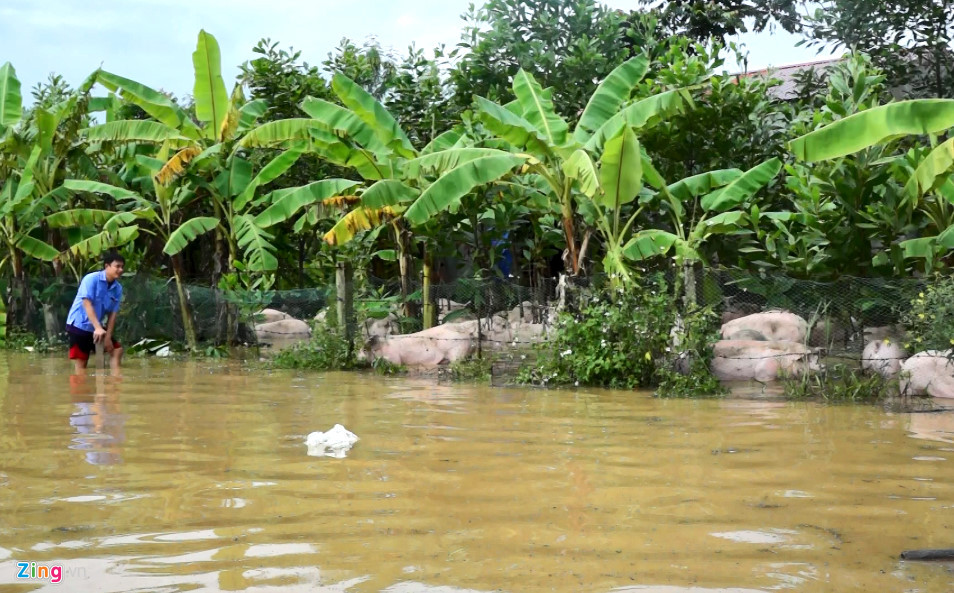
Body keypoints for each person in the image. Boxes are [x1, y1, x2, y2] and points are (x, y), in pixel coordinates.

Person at [65, 251, 125, 374]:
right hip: (79, 325)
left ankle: (115, 381)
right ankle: (80, 383)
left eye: (122, 267)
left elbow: (113, 314)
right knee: (82, 362)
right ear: (107, 266)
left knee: (116, 350)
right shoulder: (91, 279)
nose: (121, 270)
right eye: (117, 266)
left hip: (96, 328)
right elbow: (87, 303)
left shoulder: (118, 288)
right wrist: (98, 328)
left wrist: (108, 337)